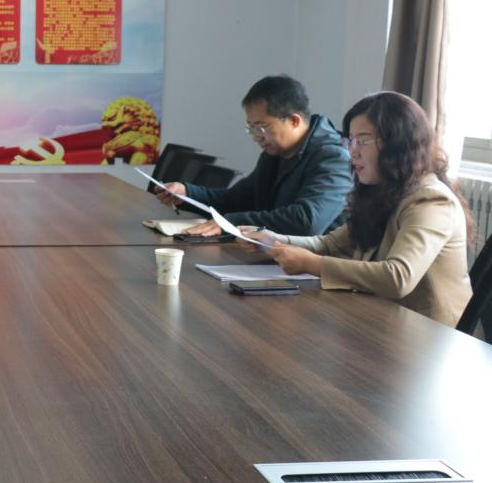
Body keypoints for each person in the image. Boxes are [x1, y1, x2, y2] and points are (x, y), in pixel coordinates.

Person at [262, 92, 474, 327]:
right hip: (385, 320)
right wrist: (271, 241)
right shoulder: (384, 190)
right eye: (350, 140)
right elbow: (329, 245)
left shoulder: (431, 199)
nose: (353, 151)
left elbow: (398, 277)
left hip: (433, 335)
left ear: (397, 145)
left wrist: (313, 264)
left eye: (362, 141)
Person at [158, 75, 352, 236]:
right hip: (273, 254)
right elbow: (238, 199)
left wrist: (231, 222)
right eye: (251, 128)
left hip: (315, 265)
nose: (256, 137)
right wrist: (188, 193)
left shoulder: (334, 158)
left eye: (261, 127)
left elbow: (307, 221)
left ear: (294, 120)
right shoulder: (274, 153)